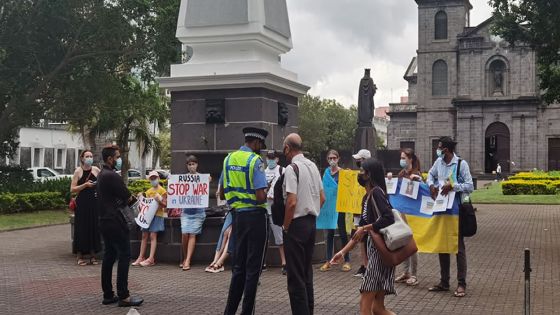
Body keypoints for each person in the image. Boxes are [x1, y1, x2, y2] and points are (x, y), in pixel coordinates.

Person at [331, 159, 396, 315]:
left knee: (365, 304)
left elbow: (388, 218)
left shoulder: (376, 194)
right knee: (378, 308)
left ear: (369, 175)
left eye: (362, 171)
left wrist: (367, 227)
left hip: (379, 255)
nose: (359, 174)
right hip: (379, 253)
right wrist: (343, 252)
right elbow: (359, 232)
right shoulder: (366, 198)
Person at [220, 127, 269, 315]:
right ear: (256, 143)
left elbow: (223, 191)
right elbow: (259, 196)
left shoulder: (228, 159)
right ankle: (247, 312)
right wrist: (267, 191)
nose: (260, 150)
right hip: (256, 218)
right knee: (253, 270)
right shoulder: (255, 161)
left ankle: (229, 311)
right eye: (260, 146)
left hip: (237, 217)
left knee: (238, 267)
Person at [282, 133, 325, 315]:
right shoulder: (313, 166)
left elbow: (291, 202)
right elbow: (322, 198)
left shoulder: (292, 169)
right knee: (306, 273)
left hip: (297, 225)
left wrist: (285, 226)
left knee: (295, 277)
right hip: (311, 223)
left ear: (287, 149)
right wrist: (311, 208)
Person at [426, 136, 474, 298]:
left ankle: (461, 284)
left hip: (456, 210)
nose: (437, 150)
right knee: (442, 245)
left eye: (440, 147)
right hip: (441, 209)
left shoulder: (461, 164)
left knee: (458, 247)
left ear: (447, 149)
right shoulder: (438, 163)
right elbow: (430, 176)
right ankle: (444, 282)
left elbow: (470, 186)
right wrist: (431, 185)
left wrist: (452, 186)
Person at [96, 145, 143, 307]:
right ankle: (124, 296)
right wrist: (136, 199)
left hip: (104, 221)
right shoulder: (112, 176)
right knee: (124, 255)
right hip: (116, 221)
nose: (119, 159)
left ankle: (108, 295)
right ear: (110, 159)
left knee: (109, 256)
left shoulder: (102, 174)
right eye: (117, 156)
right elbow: (127, 197)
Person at [388, 148, 422, 286]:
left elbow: (422, 192)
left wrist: (418, 180)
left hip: (413, 215)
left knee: (413, 245)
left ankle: (414, 274)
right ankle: (406, 272)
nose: (402, 160)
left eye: (404, 158)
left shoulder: (416, 174)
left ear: (411, 159)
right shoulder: (401, 174)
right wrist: (391, 179)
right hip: (402, 214)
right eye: (401, 158)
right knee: (404, 242)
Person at [319, 149, 351, 273]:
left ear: (338, 159)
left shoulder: (343, 173)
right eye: (330, 158)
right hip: (329, 207)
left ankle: (347, 260)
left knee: (343, 233)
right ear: (327, 160)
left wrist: (349, 176)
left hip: (340, 206)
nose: (332, 160)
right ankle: (328, 261)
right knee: (329, 234)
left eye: (334, 158)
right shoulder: (326, 173)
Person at [71, 150, 101, 266]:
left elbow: (101, 183)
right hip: (82, 204)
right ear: (82, 158)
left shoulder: (96, 170)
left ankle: (93, 255)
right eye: (87, 156)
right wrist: (85, 185)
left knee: (93, 227)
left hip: (94, 202)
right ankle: (80, 255)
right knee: (81, 228)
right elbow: (72, 189)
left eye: (91, 156)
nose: (89, 158)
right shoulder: (78, 171)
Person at [131, 171, 167, 267]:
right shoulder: (148, 191)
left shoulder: (162, 190)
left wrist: (160, 200)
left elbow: (165, 205)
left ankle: (151, 258)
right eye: (151, 178)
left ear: (158, 178)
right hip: (148, 216)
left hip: (157, 215)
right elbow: (145, 204)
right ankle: (141, 257)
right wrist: (140, 198)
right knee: (144, 235)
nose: (153, 180)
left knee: (152, 235)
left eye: (154, 178)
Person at [180, 155, 207, 271]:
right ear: (187, 166)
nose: (192, 166)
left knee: (192, 234)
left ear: (197, 165)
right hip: (186, 212)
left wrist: (208, 180)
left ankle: (188, 260)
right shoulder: (183, 178)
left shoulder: (202, 178)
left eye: (193, 164)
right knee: (184, 233)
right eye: (189, 164)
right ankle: (185, 257)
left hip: (198, 212)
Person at [264, 150, 287, 274]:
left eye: (272, 158)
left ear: (277, 159)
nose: (270, 160)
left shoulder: (282, 170)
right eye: (268, 157)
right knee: (263, 237)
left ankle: (284, 262)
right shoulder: (263, 171)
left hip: (276, 208)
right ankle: (262, 262)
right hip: (264, 207)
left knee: (280, 238)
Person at [352, 148, 371, 278]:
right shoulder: (359, 174)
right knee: (361, 239)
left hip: (368, 212)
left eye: (360, 160)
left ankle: (369, 267)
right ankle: (364, 265)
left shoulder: (371, 176)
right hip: (359, 209)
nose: (358, 162)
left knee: (368, 238)